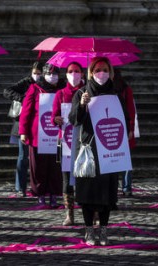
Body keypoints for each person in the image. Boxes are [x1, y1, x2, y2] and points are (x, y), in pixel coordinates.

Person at [69, 57, 128, 246]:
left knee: (106, 194)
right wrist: (82, 105)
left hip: (109, 149)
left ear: (109, 72)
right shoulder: (81, 93)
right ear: (91, 73)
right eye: (97, 70)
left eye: (104, 69)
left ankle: (103, 230)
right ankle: (88, 231)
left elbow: (123, 119)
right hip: (89, 150)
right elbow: (74, 120)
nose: (100, 73)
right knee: (87, 194)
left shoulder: (116, 94)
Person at [19, 63, 65, 207]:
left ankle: (53, 194)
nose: (52, 76)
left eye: (55, 74)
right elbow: (26, 110)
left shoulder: (62, 89)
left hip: (56, 133)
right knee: (38, 165)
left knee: (55, 166)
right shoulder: (35, 88)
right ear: (43, 74)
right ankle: (40, 193)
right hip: (37, 134)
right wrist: (23, 131)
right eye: (49, 73)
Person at [51, 61, 85, 226]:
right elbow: (54, 116)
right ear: (66, 74)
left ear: (83, 74)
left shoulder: (87, 91)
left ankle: (91, 213)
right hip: (66, 140)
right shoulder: (61, 94)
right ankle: (69, 214)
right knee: (66, 178)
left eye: (77, 71)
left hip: (85, 140)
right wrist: (56, 119)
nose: (74, 74)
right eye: (71, 71)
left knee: (86, 177)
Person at [3, 61, 43, 197]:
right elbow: (7, 91)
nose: (37, 76)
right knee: (23, 156)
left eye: (39, 73)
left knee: (38, 159)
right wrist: (22, 98)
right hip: (23, 123)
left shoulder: (45, 85)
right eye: (35, 73)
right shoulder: (26, 82)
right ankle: (20, 187)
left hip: (39, 125)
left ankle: (37, 186)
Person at [113, 68, 136, 197]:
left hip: (124, 127)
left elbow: (131, 111)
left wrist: (131, 128)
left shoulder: (125, 89)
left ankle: (126, 187)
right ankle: (120, 187)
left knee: (125, 160)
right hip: (111, 129)